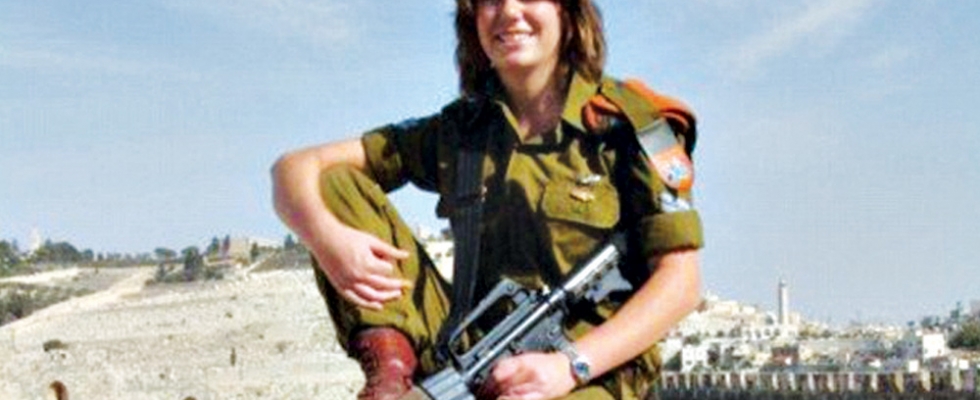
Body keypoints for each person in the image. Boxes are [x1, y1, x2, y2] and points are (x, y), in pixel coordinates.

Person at [271, 0, 703, 399]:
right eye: (490, 0)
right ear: (473, 20)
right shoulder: (462, 130)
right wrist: (327, 239)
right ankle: (392, 376)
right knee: (332, 185)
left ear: (566, 12)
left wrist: (570, 365)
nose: (509, 12)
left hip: (588, 371)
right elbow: (295, 167)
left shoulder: (635, 126)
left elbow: (680, 282)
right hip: (468, 356)